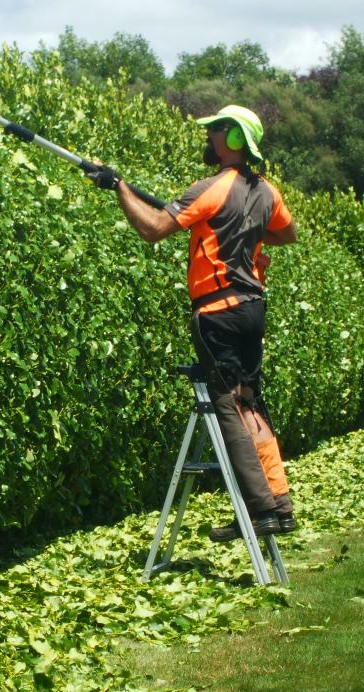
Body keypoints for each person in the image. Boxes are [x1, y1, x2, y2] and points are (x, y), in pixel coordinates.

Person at [87, 105, 297, 541]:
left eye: (216, 131)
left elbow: (153, 229)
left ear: (233, 139)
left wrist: (118, 187)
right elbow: (287, 233)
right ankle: (279, 501)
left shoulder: (212, 188)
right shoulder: (266, 192)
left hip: (217, 313)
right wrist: (249, 236)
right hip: (253, 308)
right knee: (251, 402)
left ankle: (259, 511)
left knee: (229, 406)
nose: (210, 138)